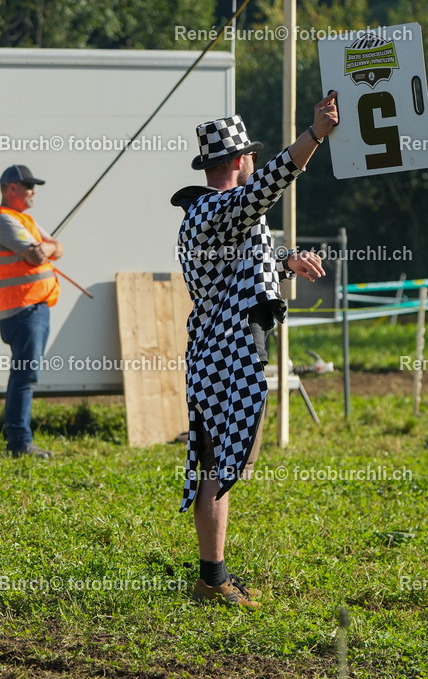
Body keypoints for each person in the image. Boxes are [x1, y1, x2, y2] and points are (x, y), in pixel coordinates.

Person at [172, 95, 336, 608]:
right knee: (220, 466)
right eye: (250, 160)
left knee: (218, 465)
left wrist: (288, 261)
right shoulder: (221, 208)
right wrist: (314, 135)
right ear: (241, 160)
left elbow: (248, 257)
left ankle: (213, 576)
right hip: (227, 353)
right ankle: (212, 580)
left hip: (216, 351)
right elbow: (272, 183)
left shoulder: (213, 213)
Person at [0, 164, 63, 458]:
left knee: (23, 375)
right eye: (28, 186)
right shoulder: (4, 221)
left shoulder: (24, 219)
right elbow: (34, 257)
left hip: (34, 308)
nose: (33, 191)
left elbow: (58, 246)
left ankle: (19, 440)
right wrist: (46, 248)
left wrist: (50, 247)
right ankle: (19, 443)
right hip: (23, 310)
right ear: (10, 188)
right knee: (25, 376)